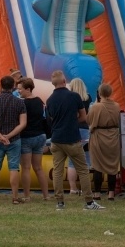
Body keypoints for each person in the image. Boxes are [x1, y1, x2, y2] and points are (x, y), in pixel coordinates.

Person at [46, 72, 104, 211]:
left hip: (56, 139)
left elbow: (51, 120)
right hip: (72, 138)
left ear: (53, 83)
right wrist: (71, 122)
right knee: (83, 170)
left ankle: (60, 202)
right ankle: (89, 202)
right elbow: (84, 117)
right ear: (64, 81)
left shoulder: (50, 100)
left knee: (58, 171)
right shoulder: (74, 96)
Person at [0, 75, 27, 204]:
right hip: (14, 139)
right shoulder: (19, 102)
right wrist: (8, 136)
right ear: (13, 86)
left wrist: (0, 136)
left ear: (1, 85)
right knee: (14, 167)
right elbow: (22, 124)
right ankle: (15, 197)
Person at [88, 83, 121, 199]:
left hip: (98, 137)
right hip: (113, 137)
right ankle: (111, 193)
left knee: (97, 166)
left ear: (100, 93)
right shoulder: (117, 106)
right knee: (112, 166)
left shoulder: (96, 107)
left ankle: (97, 193)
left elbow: (89, 121)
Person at [18, 78, 49, 202]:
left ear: (28, 89)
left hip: (27, 136)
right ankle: (46, 195)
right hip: (40, 136)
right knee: (38, 167)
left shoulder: (23, 103)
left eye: (20, 89)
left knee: (25, 167)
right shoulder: (39, 101)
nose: (18, 91)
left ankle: (26, 196)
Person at [66, 77, 92, 194]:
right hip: (85, 129)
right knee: (85, 160)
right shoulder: (88, 97)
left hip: (72, 129)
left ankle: (72, 188)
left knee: (72, 161)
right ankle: (85, 188)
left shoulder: (69, 98)